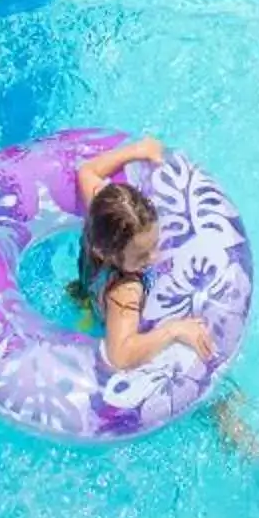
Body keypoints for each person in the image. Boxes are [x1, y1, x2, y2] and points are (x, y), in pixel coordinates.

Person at [68, 135, 216, 368]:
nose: (154, 257)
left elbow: (86, 172)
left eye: (154, 245)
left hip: (88, 289)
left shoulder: (99, 218)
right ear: (107, 253)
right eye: (141, 256)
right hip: (109, 313)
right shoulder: (126, 291)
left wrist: (137, 150)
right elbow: (119, 356)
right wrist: (173, 330)